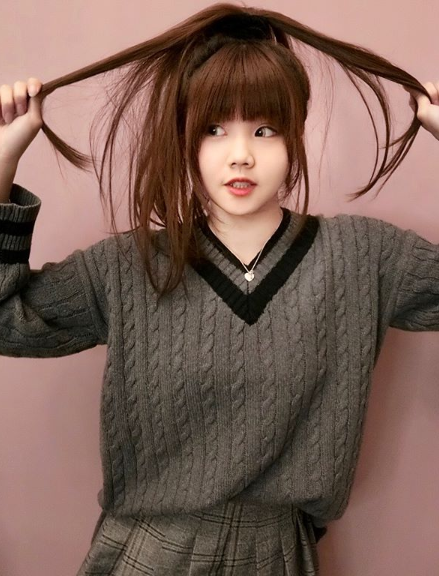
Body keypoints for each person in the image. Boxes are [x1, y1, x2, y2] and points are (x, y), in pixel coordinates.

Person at [0, 4, 438, 575]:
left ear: (295, 136)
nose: (240, 155)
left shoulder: (364, 257)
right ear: (186, 141)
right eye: (213, 130)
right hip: (148, 554)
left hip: (279, 554)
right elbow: (7, 322)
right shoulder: (127, 267)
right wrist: (3, 158)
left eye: (264, 129)